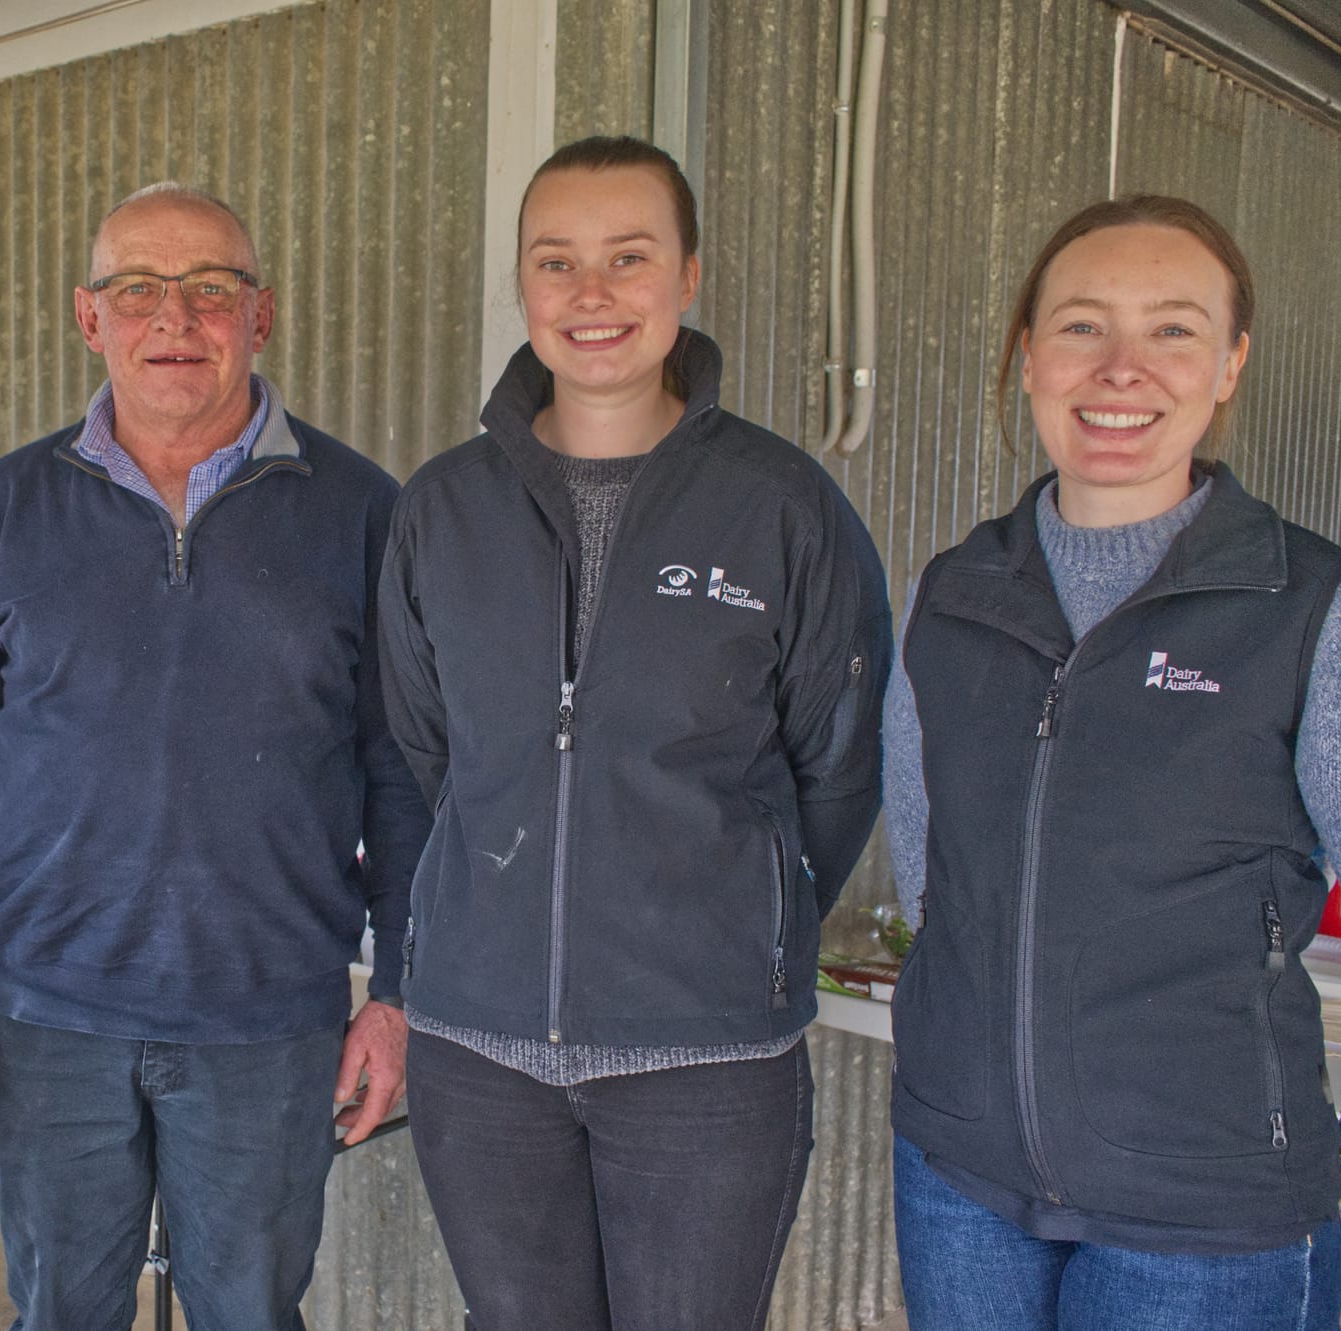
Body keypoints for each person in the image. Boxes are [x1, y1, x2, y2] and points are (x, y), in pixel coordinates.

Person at [0, 182, 431, 1331]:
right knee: (61, 1311)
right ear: (90, 319)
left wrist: (403, 992)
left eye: (209, 289)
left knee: (247, 1312)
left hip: (267, 1028)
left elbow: (408, 771)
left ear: (259, 315)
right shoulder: (4, 510)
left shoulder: (362, 512)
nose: (173, 318)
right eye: (137, 289)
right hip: (46, 1019)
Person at [379, 136, 891, 1331]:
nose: (591, 294)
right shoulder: (441, 509)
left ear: (688, 277)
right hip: (481, 1044)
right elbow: (425, 746)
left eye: (628, 257)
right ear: (521, 284)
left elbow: (838, 763)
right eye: (556, 261)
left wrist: (728, 914)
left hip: (702, 1056)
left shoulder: (781, 504)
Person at [884, 194, 1341, 1330]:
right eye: (1080, 326)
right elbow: (934, 874)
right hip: (961, 1179)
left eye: (1170, 329)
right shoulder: (950, 596)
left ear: (1227, 365)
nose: (1120, 367)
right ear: (1027, 354)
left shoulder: (1317, 609)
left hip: (1202, 1210)